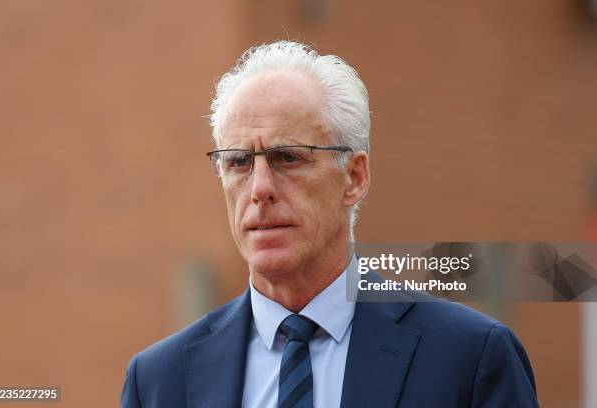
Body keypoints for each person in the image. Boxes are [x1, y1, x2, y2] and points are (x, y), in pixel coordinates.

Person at [121, 40, 539, 407]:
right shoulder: (159, 380)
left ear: (354, 177)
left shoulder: (469, 357)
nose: (259, 188)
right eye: (238, 161)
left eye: (289, 157)